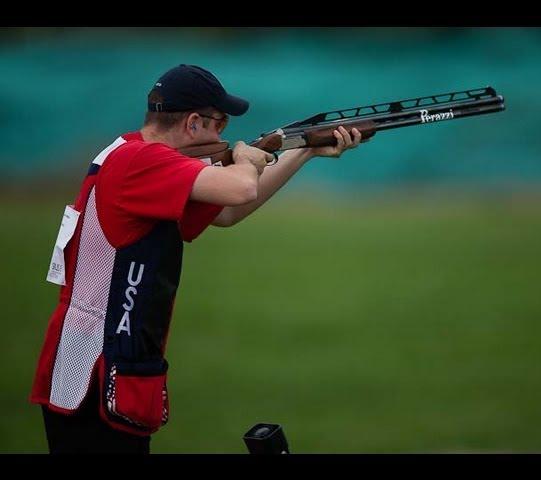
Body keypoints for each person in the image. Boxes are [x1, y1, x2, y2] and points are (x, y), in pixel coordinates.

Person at [30, 64, 364, 454]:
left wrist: (304, 151)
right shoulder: (143, 162)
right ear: (193, 123)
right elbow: (240, 188)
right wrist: (245, 159)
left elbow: (226, 212)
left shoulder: (132, 154)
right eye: (219, 124)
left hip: (99, 362)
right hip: (96, 369)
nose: (222, 135)